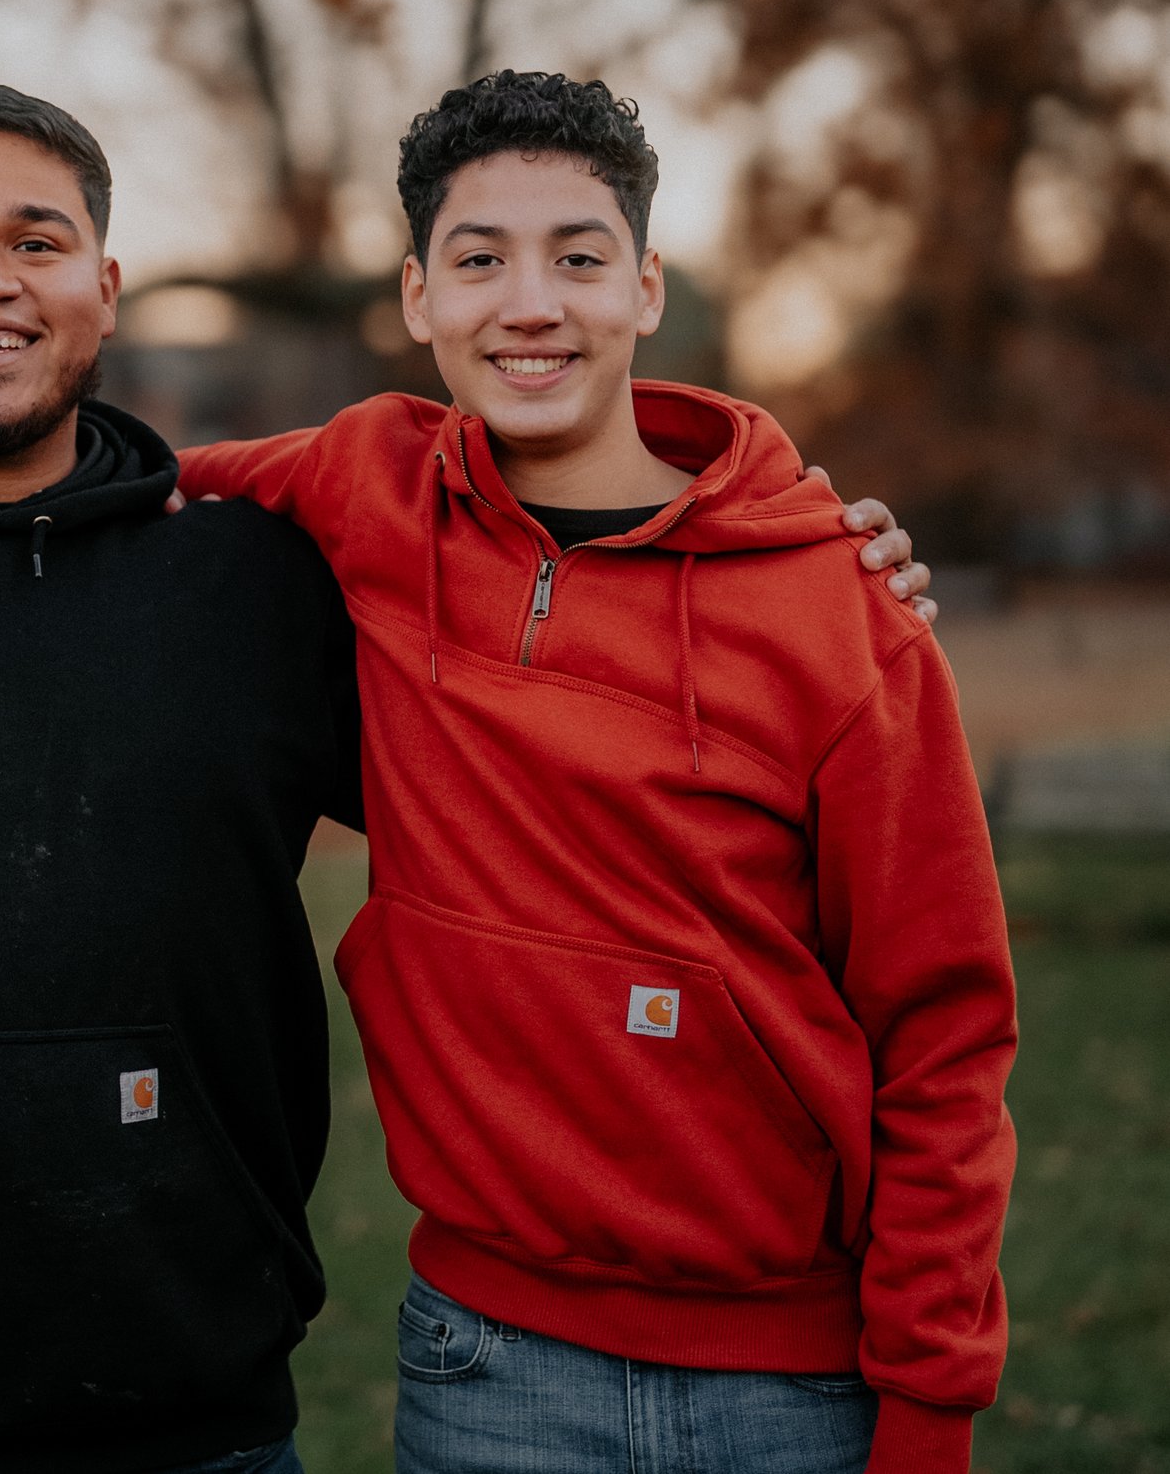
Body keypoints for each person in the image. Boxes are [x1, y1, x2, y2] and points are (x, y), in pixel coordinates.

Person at [0, 84, 936, 1473]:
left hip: (203, 1414)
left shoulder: (253, 577)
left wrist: (781, 548)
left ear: (106, 289)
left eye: (39, 240)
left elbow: (543, 690)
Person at [170, 73, 1015, 1474]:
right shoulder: (365, 485)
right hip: (488, 1361)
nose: (531, 305)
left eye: (578, 257)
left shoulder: (836, 605)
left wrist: (929, 1406)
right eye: (480, 260)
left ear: (646, 288)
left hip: (792, 1386)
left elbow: (944, 1030)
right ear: (418, 295)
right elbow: (90, 477)